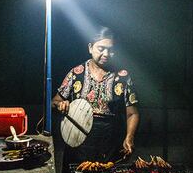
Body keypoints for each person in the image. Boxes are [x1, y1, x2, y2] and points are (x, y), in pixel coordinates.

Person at [52, 27, 139, 165]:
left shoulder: (122, 77)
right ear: (90, 47)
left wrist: (129, 137)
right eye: (101, 48)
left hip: (110, 144)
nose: (106, 53)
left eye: (110, 50)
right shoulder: (76, 73)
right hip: (78, 140)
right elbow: (55, 101)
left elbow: (132, 114)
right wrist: (61, 105)